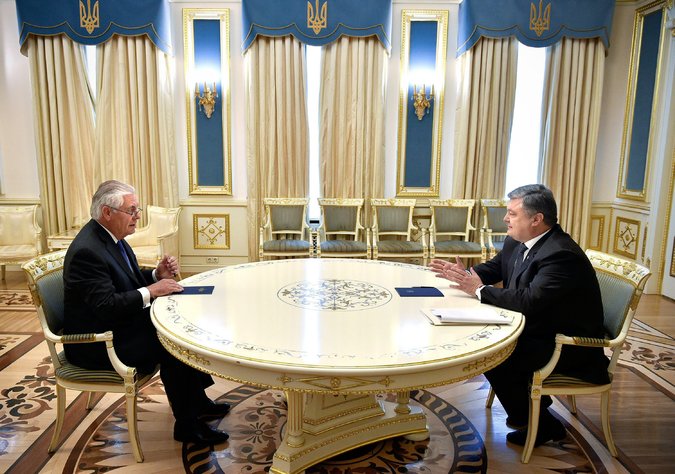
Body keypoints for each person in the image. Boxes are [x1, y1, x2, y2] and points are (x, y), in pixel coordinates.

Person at [430, 184, 609, 447]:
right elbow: (494, 268)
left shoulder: (560, 255)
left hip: (567, 345)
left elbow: (529, 301)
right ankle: (533, 410)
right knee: (489, 348)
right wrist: (464, 275)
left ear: (536, 219)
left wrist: (478, 289)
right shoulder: (517, 241)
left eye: (512, 214)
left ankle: (541, 424)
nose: (505, 218)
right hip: (539, 329)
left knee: (492, 354)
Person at [63, 180, 230, 445]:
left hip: (118, 327)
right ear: (107, 212)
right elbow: (106, 306)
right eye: (132, 210)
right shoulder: (88, 251)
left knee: (178, 330)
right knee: (172, 343)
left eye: (137, 209)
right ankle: (188, 426)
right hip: (97, 344)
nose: (138, 216)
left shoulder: (111, 237)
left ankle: (198, 403)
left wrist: (155, 275)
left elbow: (125, 278)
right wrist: (151, 291)